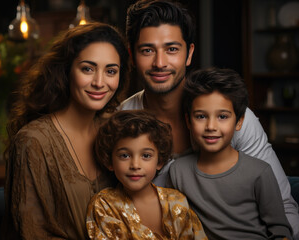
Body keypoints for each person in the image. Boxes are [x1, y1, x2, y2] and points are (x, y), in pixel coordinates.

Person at [119, 0, 299, 237]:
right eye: (147, 50)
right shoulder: (122, 120)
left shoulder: (234, 119)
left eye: (172, 49)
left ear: (189, 53)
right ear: (132, 55)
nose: (160, 63)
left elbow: (284, 207)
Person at [0, 22, 129, 239]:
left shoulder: (115, 131)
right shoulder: (33, 141)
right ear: (67, 70)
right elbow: (32, 231)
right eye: (88, 69)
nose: (99, 82)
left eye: (111, 71)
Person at [168, 67, 293, 239]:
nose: (211, 126)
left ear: (239, 122)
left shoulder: (259, 172)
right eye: (201, 116)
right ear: (188, 121)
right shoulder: (178, 171)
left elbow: (280, 230)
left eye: (223, 117)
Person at [86, 110, 208, 240]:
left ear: (159, 161)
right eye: (125, 155)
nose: (135, 165)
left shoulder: (177, 202)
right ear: (110, 161)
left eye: (146, 156)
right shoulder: (104, 205)